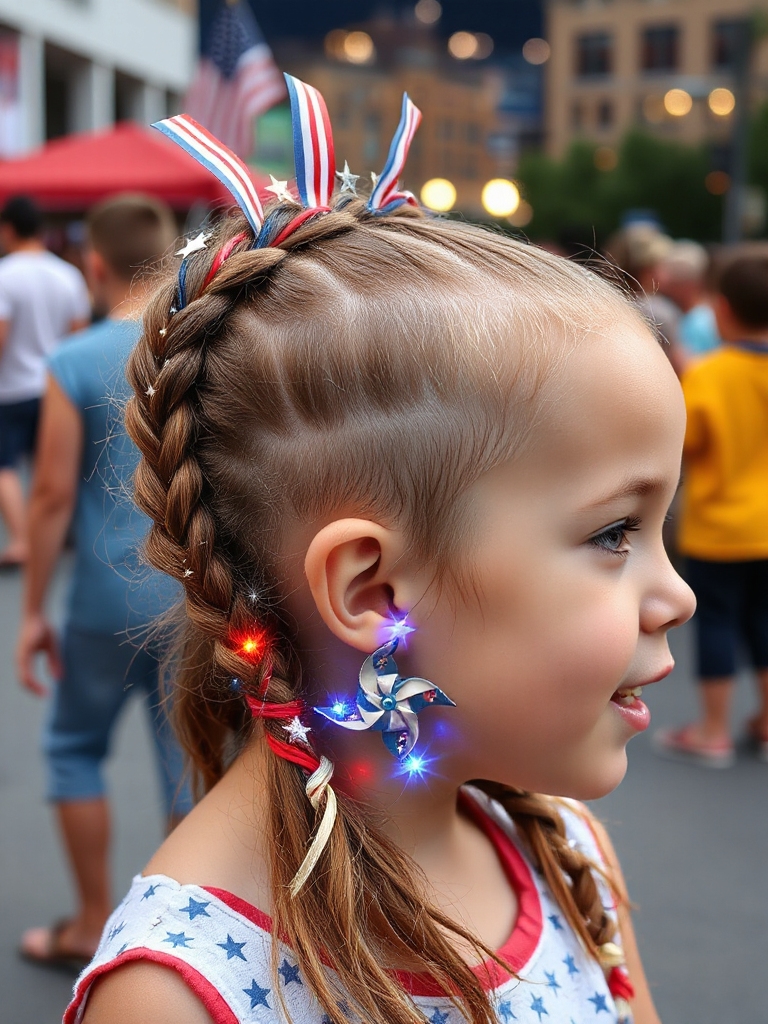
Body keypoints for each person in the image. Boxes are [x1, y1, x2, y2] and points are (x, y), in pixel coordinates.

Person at [66, 86, 694, 1024]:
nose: (677, 595)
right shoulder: (180, 996)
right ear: (372, 588)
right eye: (614, 534)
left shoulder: (569, 855)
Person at [16, 195, 193, 971]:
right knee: (190, 761)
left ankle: (92, 921)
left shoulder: (76, 360)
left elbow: (51, 496)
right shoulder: (194, 353)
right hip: (192, 597)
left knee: (74, 748)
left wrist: (30, 610)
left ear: (94, 265)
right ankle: (188, 935)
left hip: (102, 599)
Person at [654, 252, 768, 767]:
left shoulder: (709, 375)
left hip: (720, 526)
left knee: (718, 624)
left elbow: (686, 444)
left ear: (720, 310)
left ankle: (714, 730)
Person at [0, 195, 90, 567]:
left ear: (8, 229)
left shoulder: (5, 275)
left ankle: (22, 540)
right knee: (49, 463)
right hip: (56, 387)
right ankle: (53, 532)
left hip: (10, 388)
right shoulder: (68, 276)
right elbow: (78, 337)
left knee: (4, 467)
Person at [656, 241, 720, 361]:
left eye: (674, 282)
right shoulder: (710, 315)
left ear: (689, 285)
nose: (665, 288)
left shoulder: (697, 323)